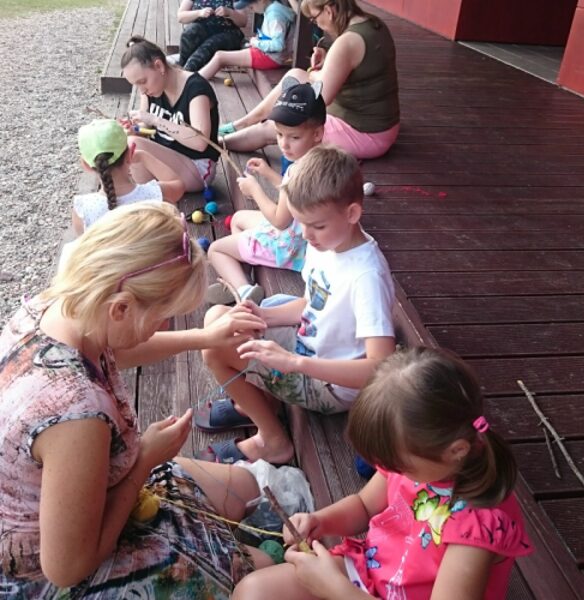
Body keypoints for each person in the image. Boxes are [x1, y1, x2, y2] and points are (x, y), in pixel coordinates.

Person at [0, 202, 275, 597]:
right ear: (121, 308)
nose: (165, 325)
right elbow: (66, 568)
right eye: (163, 316)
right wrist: (145, 459)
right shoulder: (77, 415)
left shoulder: (54, 308)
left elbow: (115, 349)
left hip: (88, 495)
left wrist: (204, 338)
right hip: (48, 573)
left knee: (245, 489)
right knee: (260, 572)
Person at [232, 347, 534, 600]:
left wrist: (337, 590)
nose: (391, 471)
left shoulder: (475, 529)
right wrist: (319, 521)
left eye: (399, 465)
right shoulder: (420, 461)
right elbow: (364, 506)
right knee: (253, 592)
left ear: (456, 450)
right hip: (369, 573)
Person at [199, 146, 396, 464]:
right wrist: (264, 315)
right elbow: (311, 303)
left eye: (316, 226)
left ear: (352, 214)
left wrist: (294, 363)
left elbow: (380, 368)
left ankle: (273, 440)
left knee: (213, 349)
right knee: (219, 318)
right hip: (308, 348)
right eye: (301, 222)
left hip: (329, 385)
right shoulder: (328, 242)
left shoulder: (366, 277)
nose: (306, 235)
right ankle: (261, 402)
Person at [219, 0, 400, 160]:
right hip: (379, 124)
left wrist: (315, 72)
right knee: (295, 75)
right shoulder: (374, 23)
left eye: (314, 18)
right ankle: (243, 123)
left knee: (279, 127)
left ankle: (218, 143)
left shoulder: (347, 42)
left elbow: (321, 97)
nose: (317, 24)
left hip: (366, 133)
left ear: (329, 11)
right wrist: (328, 58)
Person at [203, 77, 326, 309]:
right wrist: (269, 174)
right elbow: (295, 194)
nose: (284, 144)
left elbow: (280, 220)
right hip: (303, 237)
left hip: (289, 245)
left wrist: (255, 190)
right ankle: (240, 274)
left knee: (215, 250)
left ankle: (244, 291)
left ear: (317, 133)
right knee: (238, 219)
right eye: (279, 135)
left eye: (294, 137)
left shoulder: (297, 170)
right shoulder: (321, 160)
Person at [122, 36, 220, 192]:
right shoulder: (151, 90)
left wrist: (155, 119)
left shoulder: (195, 88)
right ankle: (145, 194)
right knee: (130, 142)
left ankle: (145, 195)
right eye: (136, 85)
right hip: (165, 160)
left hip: (196, 167)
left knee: (133, 145)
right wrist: (134, 129)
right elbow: (145, 127)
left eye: (142, 82)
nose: (142, 90)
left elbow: (200, 142)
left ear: (159, 66)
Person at [71, 118, 185, 235]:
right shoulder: (153, 194)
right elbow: (178, 184)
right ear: (130, 154)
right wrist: (143, 156)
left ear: (86, 165)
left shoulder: (83, 209)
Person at [199, 0, 295, 81]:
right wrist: (259, 39)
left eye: (251, 5)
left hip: (271, 58)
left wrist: (256, 43)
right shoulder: (272, 9)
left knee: (220, 57)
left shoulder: (274, 15)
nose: (249, 8)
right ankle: (198, 78)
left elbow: (278, 45)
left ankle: (196, 81)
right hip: (266, 53)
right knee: (220, 56)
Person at [177, 0, 247, 72]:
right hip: (203, 29)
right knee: (189, 33)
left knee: (210, 44)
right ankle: (182, 67)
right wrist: (199, 13)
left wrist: (229, 12)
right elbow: (181, 17)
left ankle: (188, 71)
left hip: (228, 33)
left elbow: (243, 21)